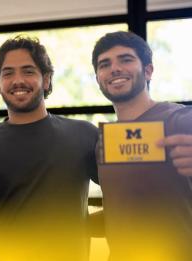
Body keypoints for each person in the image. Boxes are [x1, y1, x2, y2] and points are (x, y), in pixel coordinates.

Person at [0, 35, 99, 261]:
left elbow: (124, 192)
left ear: (46, 79)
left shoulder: (84, 134)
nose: (18, 80)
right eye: (8, 73)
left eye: (28, 71)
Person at [92, 31, 192, 261]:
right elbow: (125, 210)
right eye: (104, 64)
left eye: (125, 59)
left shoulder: (180, 119)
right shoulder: (105, 142)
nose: (115, 68)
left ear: (148, 71)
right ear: (98, 79)